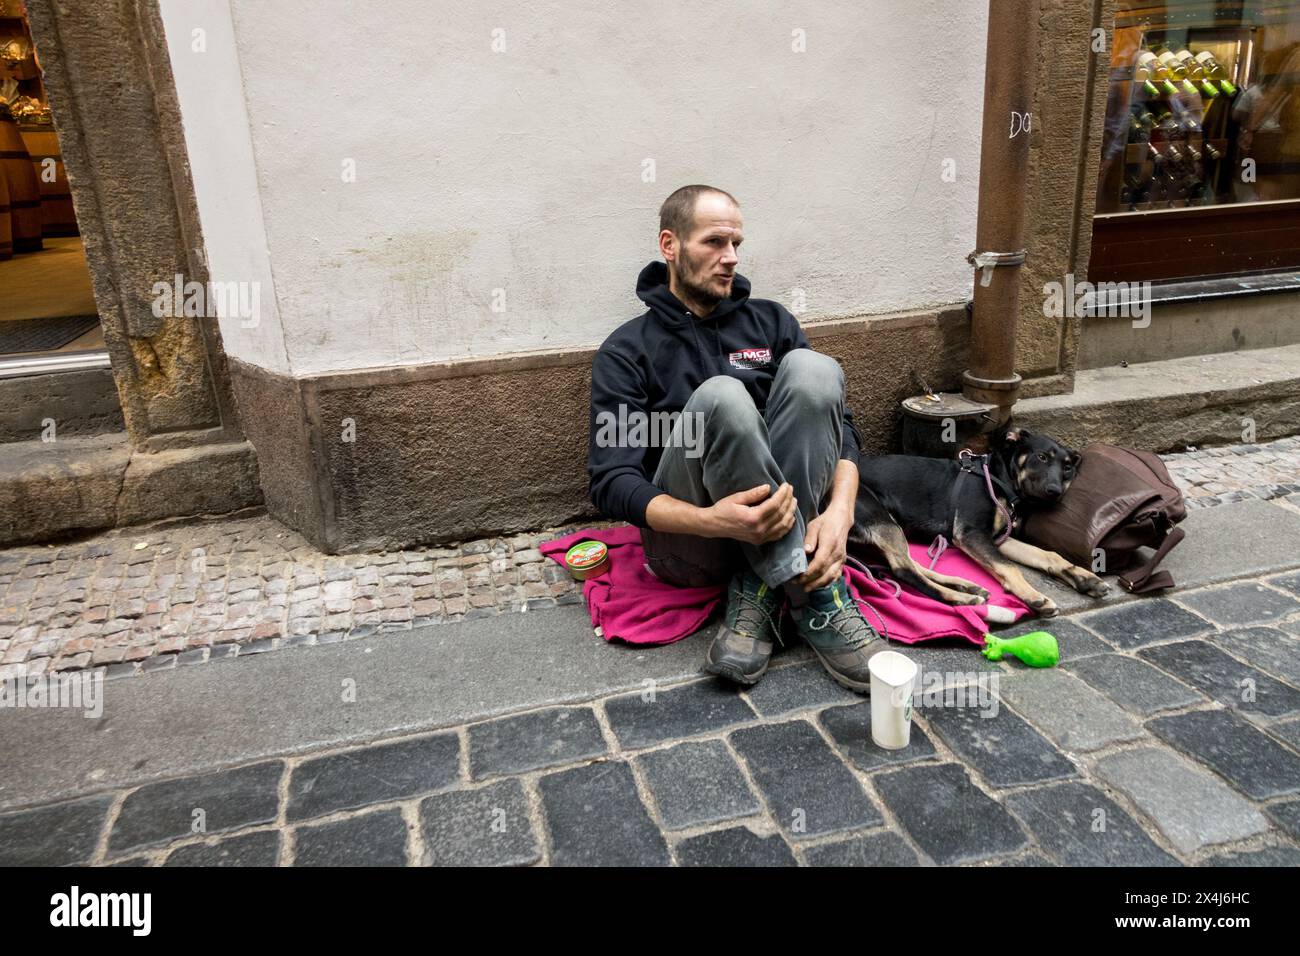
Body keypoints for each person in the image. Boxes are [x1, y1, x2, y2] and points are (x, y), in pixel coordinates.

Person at [586, 184, 885, 691]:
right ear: (669, 245)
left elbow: (843, 429)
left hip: (783, 519)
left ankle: (759, 589)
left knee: (814, 371)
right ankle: (817, 595)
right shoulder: (627, 351)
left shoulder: (771, 322)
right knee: (722, 396)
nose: (730, 258)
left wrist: (840, 513)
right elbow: (612, 481)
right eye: (714, 243)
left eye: (736, 245)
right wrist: (707, 520)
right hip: (695, 545)